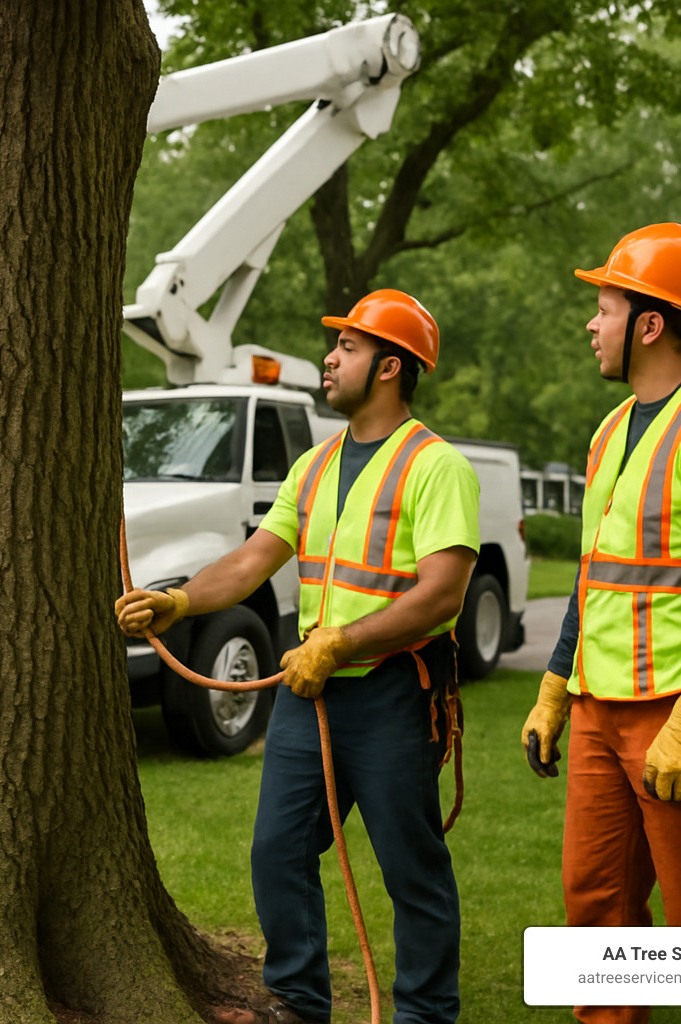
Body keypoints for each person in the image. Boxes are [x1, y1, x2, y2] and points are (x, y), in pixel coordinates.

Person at [117, 289, 478, 1024]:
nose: (329, 357)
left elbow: (442, 594)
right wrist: (179, 602)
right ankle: (301, 1002)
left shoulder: (437, 468)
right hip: (309, 697)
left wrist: (342, 643)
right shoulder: (315, 466)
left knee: (412, 869)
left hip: (391, 693)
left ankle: (425, 1013)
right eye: (335, 344)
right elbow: (254, 559)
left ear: (390, 367)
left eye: (347, 346)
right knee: (278, 852)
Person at [521, 223, 681, 1024]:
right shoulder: (611, 430)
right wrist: (552, 689)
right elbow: (595, 577)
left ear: (648, 323)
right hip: (601, 718)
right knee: (595, 917)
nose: (590, 325)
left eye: (602, 308)